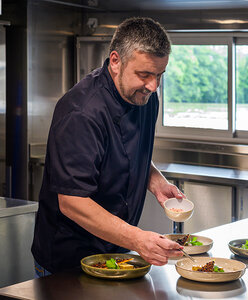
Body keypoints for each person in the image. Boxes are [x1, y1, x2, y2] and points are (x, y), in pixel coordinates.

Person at [31, 17, 184, 275]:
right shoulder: (82, 113)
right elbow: (72, 201)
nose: (153, 86)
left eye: (159, 75)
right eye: (144, 74)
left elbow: (125, 151)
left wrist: (154, 179)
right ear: (116, 61)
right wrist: (137, 239)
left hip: (117, 251)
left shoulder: (145, 97)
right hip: (68, 262)